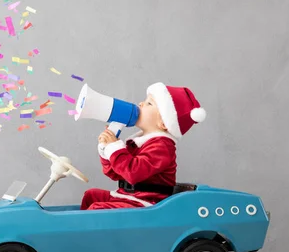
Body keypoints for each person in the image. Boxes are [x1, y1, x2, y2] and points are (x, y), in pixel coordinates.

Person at [80, 82, 206, 210]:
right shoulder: (138, 143)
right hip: (129, 197)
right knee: (91, 196)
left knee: (97, 210)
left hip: (148, 203)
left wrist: (115, 148)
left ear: (164, 122)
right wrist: (106, 150)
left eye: (149, 103)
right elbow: (115, 174)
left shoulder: (162, 146)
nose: (141, 104)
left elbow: (133, 173)